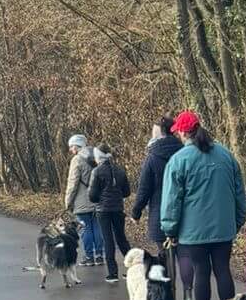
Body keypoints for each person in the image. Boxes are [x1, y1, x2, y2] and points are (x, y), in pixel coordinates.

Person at [159, 110, 246, 300]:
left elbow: (171, 200)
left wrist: (170, 229)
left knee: (201, 272)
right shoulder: (226, 155)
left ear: (182, 132)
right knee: (223, 271)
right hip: (223, 228)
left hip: (193, 232)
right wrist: (237, 221)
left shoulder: (178, 161)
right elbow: (239, 193)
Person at [132, 116, 182, 249]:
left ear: (160, 133)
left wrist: (136, 213)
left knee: (163, 257)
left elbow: (144, 189)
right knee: (185, 258)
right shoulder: (184, 153)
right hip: (184, 213)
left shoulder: (152, 158)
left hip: (159, 213)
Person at [88, 145, 131, 283]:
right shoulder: (120, 170)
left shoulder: (97, 172)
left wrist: (100, 198)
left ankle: (113, 273)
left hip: (103, 211)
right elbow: (127, 192)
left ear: (98, 156)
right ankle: (133, 267)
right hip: (118, 209)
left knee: (108, 240)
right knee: (121, 239)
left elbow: (93, 196)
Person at [64, 133, 101, 266]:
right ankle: (99, 255)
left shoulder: (77, 160)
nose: (70, 150)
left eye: (71, 147)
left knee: (85, 229)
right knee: (97, 227)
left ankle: (89, 257)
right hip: (97, 199)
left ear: (77, 146)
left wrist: (68, 202)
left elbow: (72, 183)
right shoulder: (97, 156)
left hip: (81, 201)